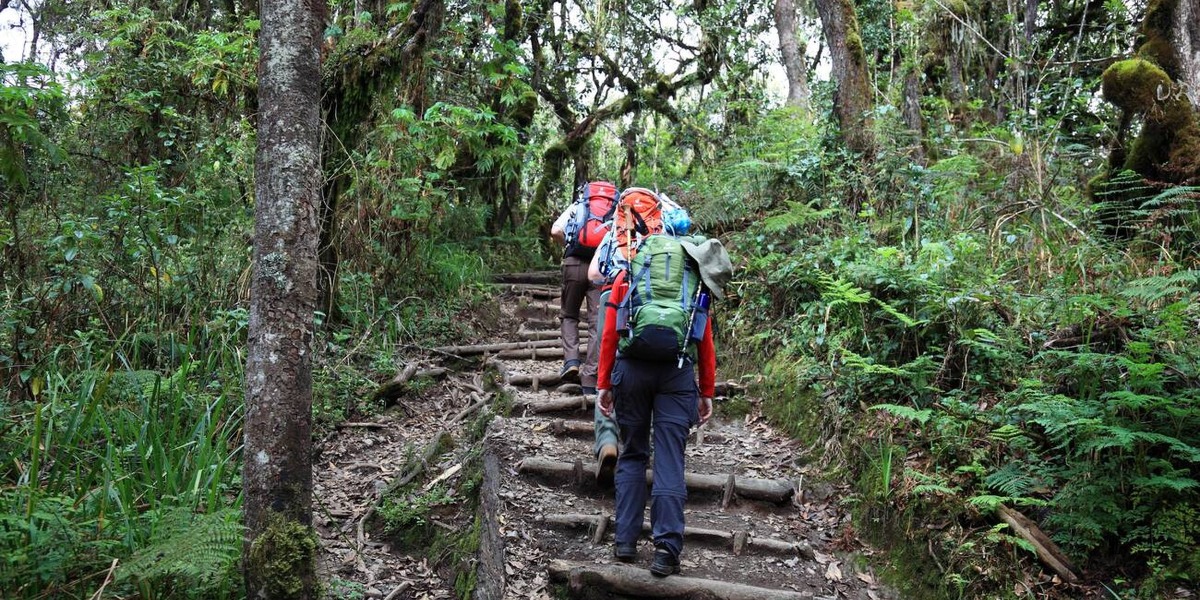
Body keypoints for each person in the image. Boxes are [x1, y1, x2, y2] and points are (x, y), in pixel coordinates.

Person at [596, 218, 731, 578]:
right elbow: (706, 341)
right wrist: (706, 391)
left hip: (632, 370)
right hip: (677, 371)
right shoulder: (693, 280)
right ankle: (666, 551)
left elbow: (611, 330)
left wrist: (604, 384)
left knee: (634, 452)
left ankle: (624, 542)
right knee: (671, 458)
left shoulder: (632, 270)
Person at [549, 184, 609, 406]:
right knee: (596, 322)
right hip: (601, 268)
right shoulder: (613, 210)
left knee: (569, 314)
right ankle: (590, 377)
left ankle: (572, 361)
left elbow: (555, 231)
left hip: (574, 263)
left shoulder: (578, 206)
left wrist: (571, 244)